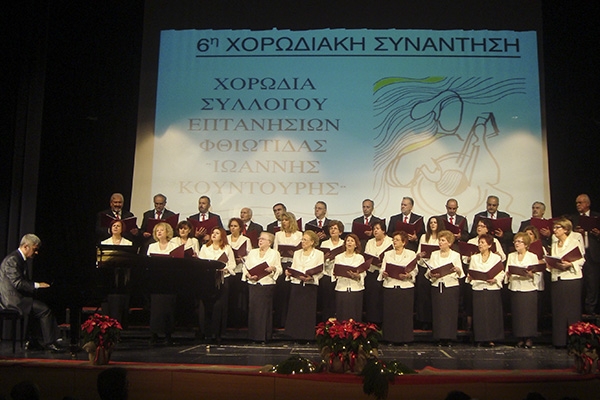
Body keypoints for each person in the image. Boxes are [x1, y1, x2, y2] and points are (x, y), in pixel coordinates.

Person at [0, 234, 62, 352]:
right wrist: (37, 285)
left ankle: (33, 341)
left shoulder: (20, 259)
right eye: (35, 249)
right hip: (13, 301)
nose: (36, 252)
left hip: (19, 298)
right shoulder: (13, 260)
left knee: (38, 308)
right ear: (25, 246)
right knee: (44, 310)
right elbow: (18, 283)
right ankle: (50, 343)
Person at [550, 218, 585, 347]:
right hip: (558, 279)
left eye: (557, 228)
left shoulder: (574, 242)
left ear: (565, 229)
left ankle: (574, 341)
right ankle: (560, 341)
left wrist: (570, 264)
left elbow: (581, 260)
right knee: (559, 310)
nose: (554, 230)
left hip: (571, 279)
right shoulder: (555, 244)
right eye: (554, 228)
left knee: (571, 310)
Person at [426, 230, 464, 346]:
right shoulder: (434, 254)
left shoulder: (455, 255)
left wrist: (457, 270)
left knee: (450, 313)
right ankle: (439, 337)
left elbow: (460, 272)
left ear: (449, 243)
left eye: (443, 240)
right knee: (438, 312)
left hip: (450, 287)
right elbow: (428, 271)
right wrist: (431, 274)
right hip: (437, 286)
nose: (440, 243)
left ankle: (449, 337)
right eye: (439, 240)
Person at [198, 227, 236, 343]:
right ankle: (206, 333)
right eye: (213, 233)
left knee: (219, 307)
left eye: (217, 233)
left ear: (222, 236)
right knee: (206, 307)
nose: (214, 235)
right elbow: (200, 263)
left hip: (222, 279)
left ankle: (218, 333)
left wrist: (226, 269)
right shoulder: (205, 247)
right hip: (207, 280)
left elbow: (232, 264)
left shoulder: (227, 248)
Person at [379, 230, 418, 344]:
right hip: (390, 286)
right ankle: (390, 338)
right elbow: (382, 269)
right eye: (393, 240)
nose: (394, 242)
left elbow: (415, 270)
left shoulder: (411, 254)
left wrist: (409, 275)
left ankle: (405, 338)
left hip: (405, 287)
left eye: (397, 240)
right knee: (391, 314)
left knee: (404, 314)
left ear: (404, 242)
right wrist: (384, 273)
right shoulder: (387, 254)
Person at [284, 230, 324, 341]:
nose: (303, 242)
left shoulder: (319, 254)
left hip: (310, 285)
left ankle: (307, 336)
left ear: (312, 242)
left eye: (305, 240)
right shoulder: (297, 253)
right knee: (296, 310)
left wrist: (312, 277)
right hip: (297, 284)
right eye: (302, 239)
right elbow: (294, 267)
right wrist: (289, 273)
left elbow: (321, 271)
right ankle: (294, 335)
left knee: (307, 311)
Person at [242, 232, 282, 343]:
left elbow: (279, 269)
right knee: (253, 310)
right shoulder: (253, 252)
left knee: (264, 311)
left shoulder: (274, 253)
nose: (260, 240)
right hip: (253, 283)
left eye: (263, 239)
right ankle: (253, 336)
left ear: (269, 242)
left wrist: (273, 268)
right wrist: (248, 275)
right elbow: (245, 267)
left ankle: (264, 336)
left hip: (266, 284)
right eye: (259, 238)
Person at [467, 233, 505, 347]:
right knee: (479, 314)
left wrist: (495, 279)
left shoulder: (496, 258)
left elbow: (501, 273)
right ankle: (480, 338)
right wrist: (470, 277)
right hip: (478, 287)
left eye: (482, 243)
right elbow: (471, 271)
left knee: (492, 314)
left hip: (492, 288)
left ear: (489, 245)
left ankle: (491, 338)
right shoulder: (474, 258)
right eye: (479, 242)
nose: (480, 245)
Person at [506, 232, 541, 348]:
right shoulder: (511, 256)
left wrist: (531, 274)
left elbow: (537, 274)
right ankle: (520, 337)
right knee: (518, 314)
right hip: (516, 287)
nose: (517, 244)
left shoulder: (532, 256)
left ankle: (529, 338)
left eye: (519, 242)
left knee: (528, 314)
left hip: (528, 288)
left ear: (526, 244)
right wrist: (508, 274)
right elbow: (507, 271)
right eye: (515, 241)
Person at [569, 194, 600, 316]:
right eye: (576, 203)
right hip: (578, 255)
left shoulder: (597, 217)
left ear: (587, 204)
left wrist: (598, 234)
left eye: (580, 203)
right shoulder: (573, 219)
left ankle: (590, 311)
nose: (578, 205)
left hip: (592, 255)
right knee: (578, 284)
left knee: (592, 284)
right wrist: (575, 233)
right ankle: (578, 310)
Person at [146, 222, 177, 344]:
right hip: (156, 281)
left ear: (167, 232)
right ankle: (154, 334)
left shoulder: (174, 246)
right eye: (157, 230)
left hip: (170, 281)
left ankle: (168, 335)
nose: (159, 232)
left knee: (168, 308)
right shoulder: (152, 246)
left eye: (161, 230)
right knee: (155, 308)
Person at [273, 211, 303, 327]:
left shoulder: (299, 234)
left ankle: (291, 322)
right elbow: (275, 251)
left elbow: (302, 251)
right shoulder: (278, 234)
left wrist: (294, 253)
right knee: (281, 293)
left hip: (294, 265)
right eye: (282, 220)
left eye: (286, 220)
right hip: (281, 264)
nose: (284, 222)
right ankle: (280, 321)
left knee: (292, 293)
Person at [415, 216, 445, 329]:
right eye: (431, 222)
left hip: (437, 267)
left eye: (435, 222)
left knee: (435, 295)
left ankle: (435, 320)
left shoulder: (442, 237)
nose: (432, 224)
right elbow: (418, 253)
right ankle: (424, 320)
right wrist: (419, 255)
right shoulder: (424, 236)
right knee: (423, 295)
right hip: (424, 266)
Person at [363, 221, 393, 324]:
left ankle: (383, 322)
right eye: (374, 229)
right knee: (372, 298)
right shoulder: (370, 242)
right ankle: (372, 322)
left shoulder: (390, 241)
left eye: (377, 228)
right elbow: (367, 256)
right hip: (372, 272)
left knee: (382, 298)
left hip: (385, 274)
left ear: (383, 230)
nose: (375, 231)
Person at [332, 233, 366, 321]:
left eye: (352, 241)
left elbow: (363, 273)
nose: (349, 243)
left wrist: (357, 276)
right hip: (342, 288)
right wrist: (336, 274)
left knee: (355, 315)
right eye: (348, 241)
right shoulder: (338, 257)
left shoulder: (360, 258)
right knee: (342, 315)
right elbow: (334, 272)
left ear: (356, 244)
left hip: (356, 289)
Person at [227, 217, 252, 328]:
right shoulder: (225, 238)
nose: (233, 228)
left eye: (235, 226)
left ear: (240, 228)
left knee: (239, 296)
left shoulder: (245, 240)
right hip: (228, 270)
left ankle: (239, 321)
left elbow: (250, 255)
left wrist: (241, 259)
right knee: (230, 295)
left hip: (240, 269)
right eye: (231, 226)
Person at [318, 220, 345, 321]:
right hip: (327, 274)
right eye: (331, 228)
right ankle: (326, 322)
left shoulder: (344, 243)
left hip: (339, 275)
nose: (333, 230)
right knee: (327, 300)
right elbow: (319, 260)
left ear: (340, 232)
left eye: (335, 228)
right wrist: (324, 258)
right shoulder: (324, 243)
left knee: (338, 300)